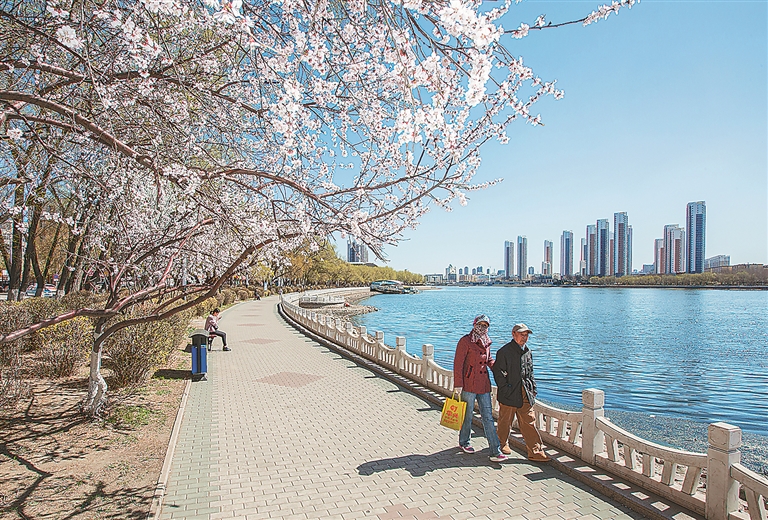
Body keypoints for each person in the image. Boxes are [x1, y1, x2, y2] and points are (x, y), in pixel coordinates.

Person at [491, 323, 549, 462]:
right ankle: (502, 444)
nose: (524, 337)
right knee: (505, 421)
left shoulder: (527, 352)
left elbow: (531, 373)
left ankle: (535, 451)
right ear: (513, 334)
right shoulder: (504, 352)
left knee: (529, 422)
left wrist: (533, 389)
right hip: (509, 393)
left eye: (526, 335)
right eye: (522, 334)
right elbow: (498, 374)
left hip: (525, 392)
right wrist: (505, 389)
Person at [453, 314, 507, 463]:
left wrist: (501, 370)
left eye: (486, 325)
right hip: (469, 385)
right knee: (467, 415)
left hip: (484, 385)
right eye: (480, 325)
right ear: (474, 324)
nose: (482, 328)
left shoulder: (487, 341)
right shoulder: (465, 341)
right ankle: (464, 442)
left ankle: (495, 450)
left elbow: (488, 360)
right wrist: (458, 384)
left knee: (488, 417)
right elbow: (458, 363)